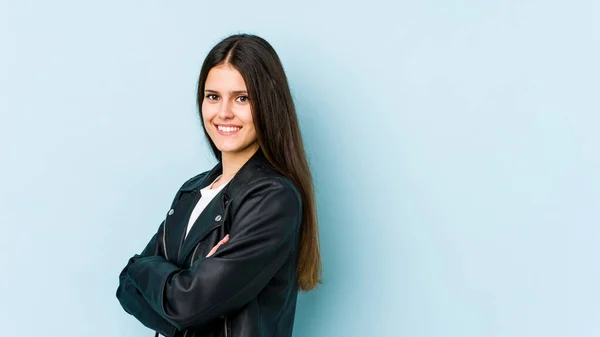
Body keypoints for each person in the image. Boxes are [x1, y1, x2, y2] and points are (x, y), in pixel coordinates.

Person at [116, 34, 322, 337]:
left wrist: (141, 268)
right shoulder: (193, 190)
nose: (224, 112)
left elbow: (187, 304)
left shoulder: (273, 199)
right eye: (213, 96)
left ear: (267, 104)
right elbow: (128, 292)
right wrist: (174, 282)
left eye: (242, 98)